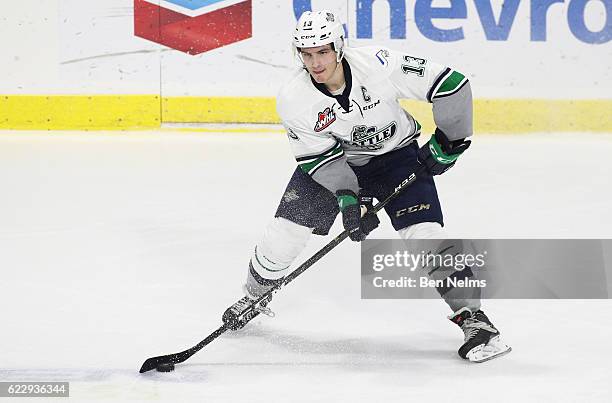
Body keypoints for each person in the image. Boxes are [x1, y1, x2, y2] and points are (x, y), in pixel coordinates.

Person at [222, 10, 510, 362]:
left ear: (339, 47)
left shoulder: (379, 64)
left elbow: (452, 85)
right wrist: (349, 200)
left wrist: (451, 142)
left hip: (397, 157)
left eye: (323, 51)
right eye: (307, 54)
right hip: (339, 162)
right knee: (283, 234)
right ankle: (255, 294)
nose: (315, 62)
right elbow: (320, 160)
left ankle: (475, 319)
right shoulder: (294, 98)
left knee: (427, 236)